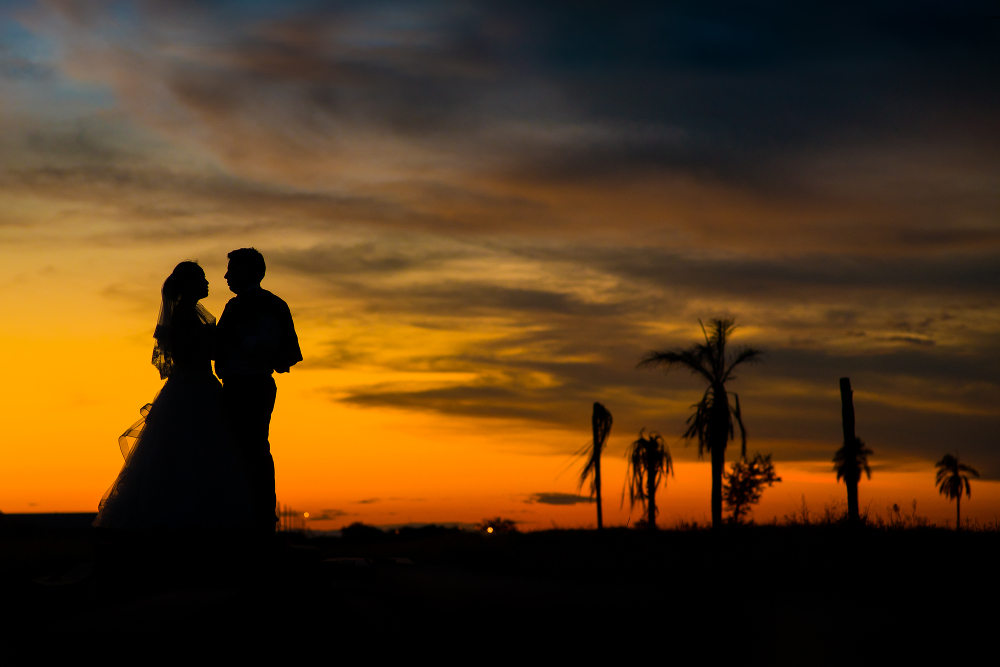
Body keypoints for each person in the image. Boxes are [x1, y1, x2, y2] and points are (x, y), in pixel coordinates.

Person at [95, 262, 254, 530]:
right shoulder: (183, 315)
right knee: (190, 452)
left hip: (202, 384)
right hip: (192, 388)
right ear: (189, 285)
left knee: (200, 453)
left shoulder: (192, 313)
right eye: (201, 279)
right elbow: (179, 355)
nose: (207, 283)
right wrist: (204, 335)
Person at [215, 248, 302, 533]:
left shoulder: (267, 305)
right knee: (238, 450)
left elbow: (267, 344)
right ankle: (242, 511)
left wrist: (236, 337)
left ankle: (263, 514)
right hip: (235, 384)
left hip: (252, 385)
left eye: (232, 269)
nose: (226, 275)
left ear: (248, 271)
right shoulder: (235, 304)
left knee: (253, 448)